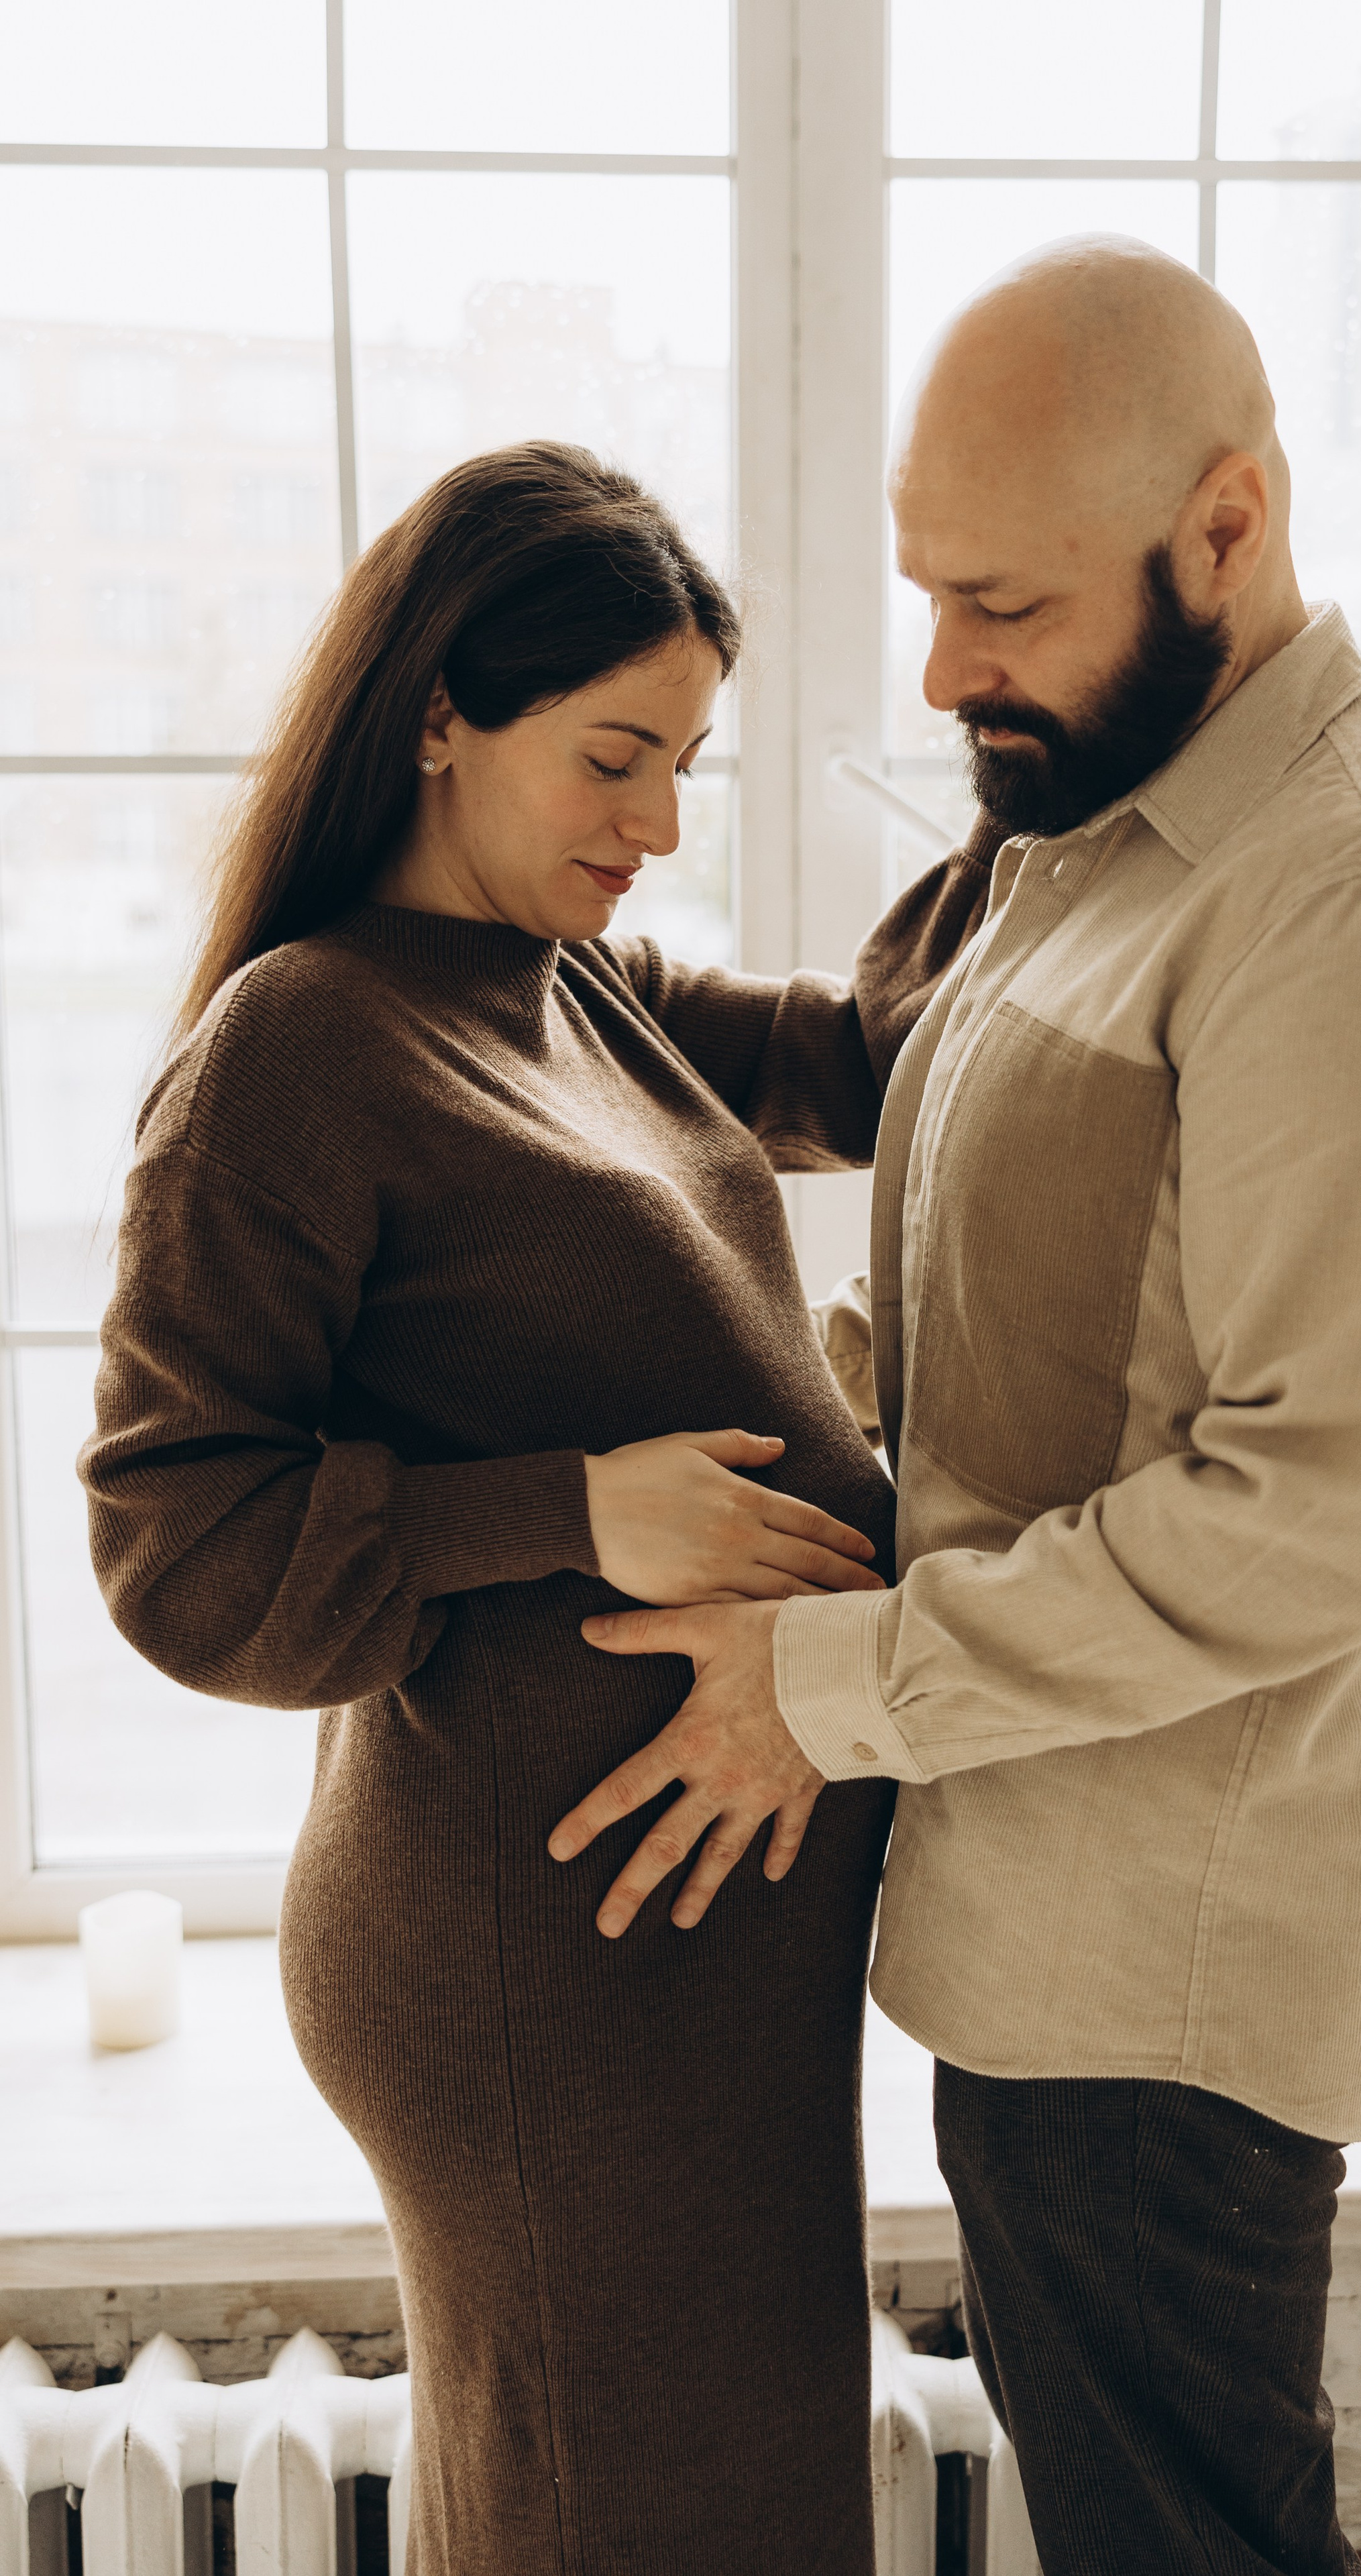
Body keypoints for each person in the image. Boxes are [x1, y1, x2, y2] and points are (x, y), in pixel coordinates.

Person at [549, 243, 1361, 2575]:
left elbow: (1325, 1514)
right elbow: (915, 1164)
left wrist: (824, 1689)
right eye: (933, 596)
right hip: (1049, 1943)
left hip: (1169, 2013)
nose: (944, 671)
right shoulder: (1091, 836)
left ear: (1228, 528)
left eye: (999, 604)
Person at [77, 441, 993, 2575]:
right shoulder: (296, 1052)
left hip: (674, 1954)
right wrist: (573, 1510)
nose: (658, 823)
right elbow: (172, 1543)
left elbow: (879, 1057)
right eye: (612, 757)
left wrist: (1026, 767)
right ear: (435, 719)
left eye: (683, 760)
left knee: (690, 2506)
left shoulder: (584, 994)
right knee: (630, 2515)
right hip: (534, 1961)